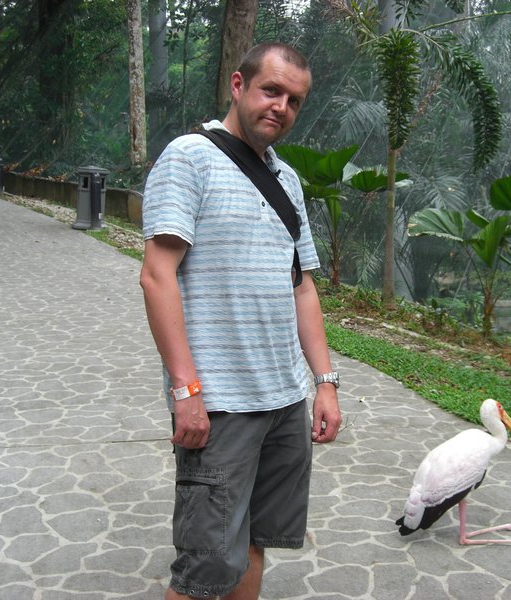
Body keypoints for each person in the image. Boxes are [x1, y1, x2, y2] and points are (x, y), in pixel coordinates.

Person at [140, 42, 342, 600]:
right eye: (270, 90)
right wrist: (186, 389)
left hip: (283, 400)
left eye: (294, 100)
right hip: (221, 404)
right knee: (204, 569)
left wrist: (323, 384)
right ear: (238, 85)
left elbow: (301, 287)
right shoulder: (189, 156)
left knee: (255, 541)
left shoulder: (289, 181)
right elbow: (157, 275)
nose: (281, 107)